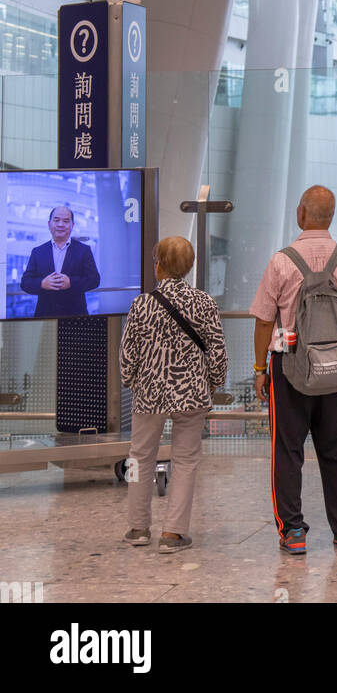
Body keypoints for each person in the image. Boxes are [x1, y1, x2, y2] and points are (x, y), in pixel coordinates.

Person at [251, 185, 337, 555]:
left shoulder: (282, 261)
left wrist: (260, 369)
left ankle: (293, 532)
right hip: (335, 370)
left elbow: (263, 322)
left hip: (289, 367)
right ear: (330, 217)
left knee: (287, 451)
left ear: (301, 214)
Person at [120, 236, 227, 554]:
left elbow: (128, 353)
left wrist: (131, 380)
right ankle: (173, 533)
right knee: (185, 461)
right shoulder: (204, 303)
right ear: (190, 266)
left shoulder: (142, 304)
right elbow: (218, 351)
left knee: (139, 457)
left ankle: (138, 528)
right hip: (191, 393)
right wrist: (213, 382)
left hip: (149, 393)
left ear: (159, 266)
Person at [20, 205, 100, 317]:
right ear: (49, 224)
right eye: (56, 220)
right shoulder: (38, 252)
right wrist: (42, 284)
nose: (60, 224)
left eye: (66, 221)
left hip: (75, 316)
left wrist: (71, 283)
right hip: (45, 317)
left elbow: (94, 280)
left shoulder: (84, 250)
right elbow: (25, 282)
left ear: (72, 225)